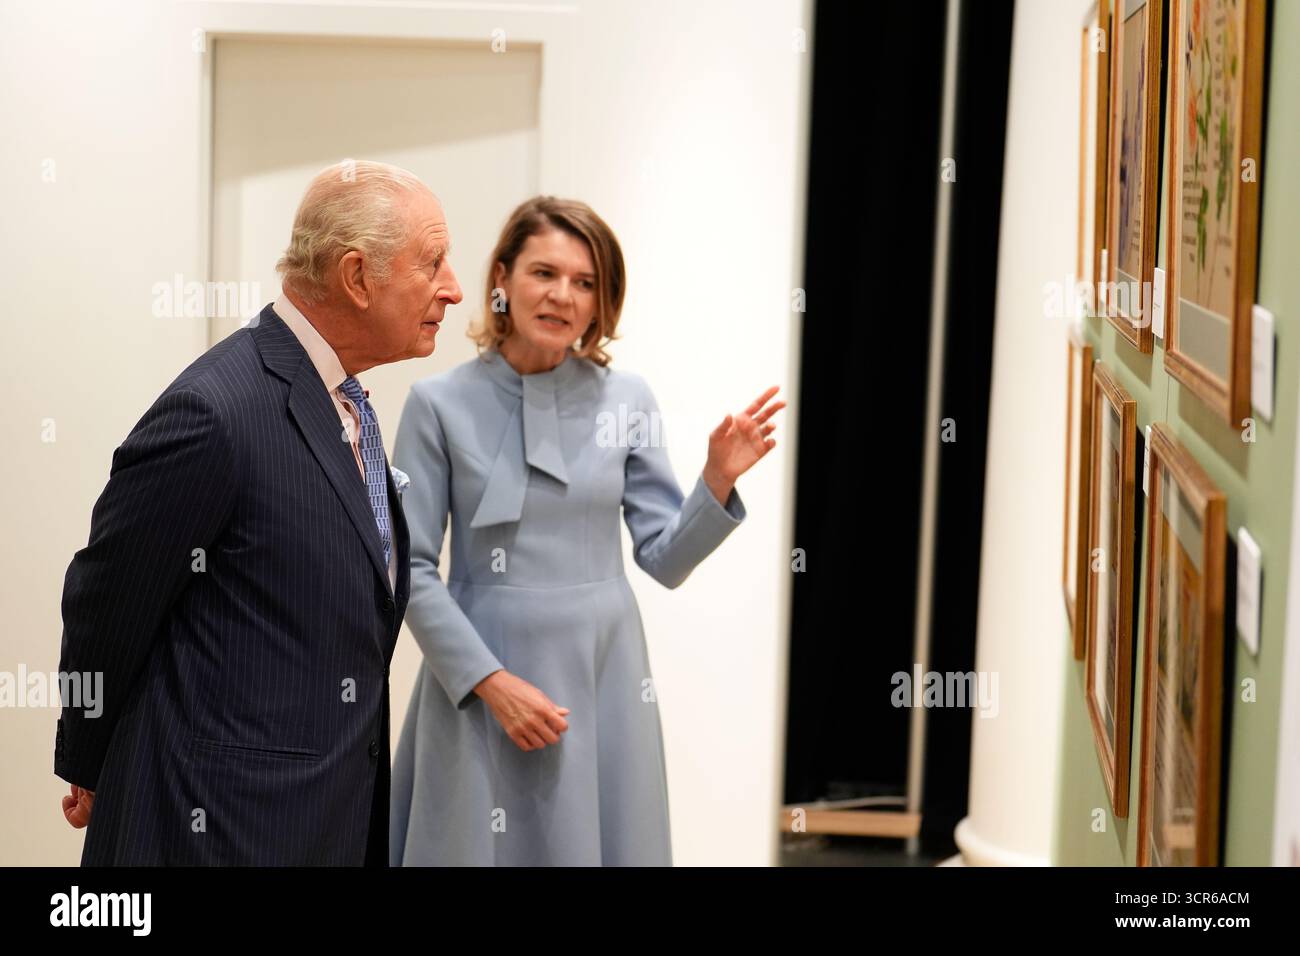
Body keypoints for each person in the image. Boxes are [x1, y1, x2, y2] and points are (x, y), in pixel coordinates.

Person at [54, 160, 463, 865]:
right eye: (432, 263)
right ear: (357, 277)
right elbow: (107, 597)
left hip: (322, 818)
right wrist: (90, 757)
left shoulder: (346, 405)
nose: (453, 288)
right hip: (219, 830)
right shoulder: (216, 412)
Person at [389, 196, 784, 865]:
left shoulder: (628, 401)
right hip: (479, 675)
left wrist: (715, 480)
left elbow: (662, 558)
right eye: (545, 273)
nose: (562, 296)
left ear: (603, 303)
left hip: (604, 676)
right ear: (503, 280)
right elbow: (410, 568)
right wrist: (492, 682)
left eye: (586, 282)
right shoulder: (438, 404)